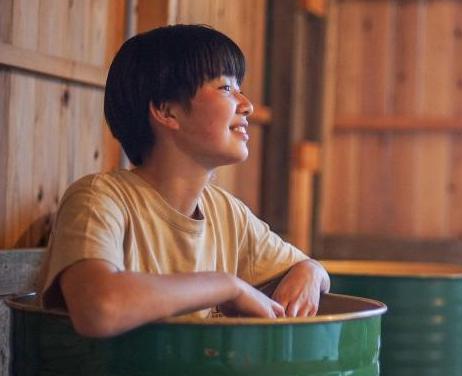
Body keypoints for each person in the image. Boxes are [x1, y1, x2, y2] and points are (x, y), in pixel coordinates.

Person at [36, 24, 329, 337]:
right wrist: (226, 285)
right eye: (226, 88)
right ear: (167, 111)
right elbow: (99, 308)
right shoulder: (98, 199)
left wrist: (310, 271)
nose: (247, 104)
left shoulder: (226, 212)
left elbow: (311, 270)